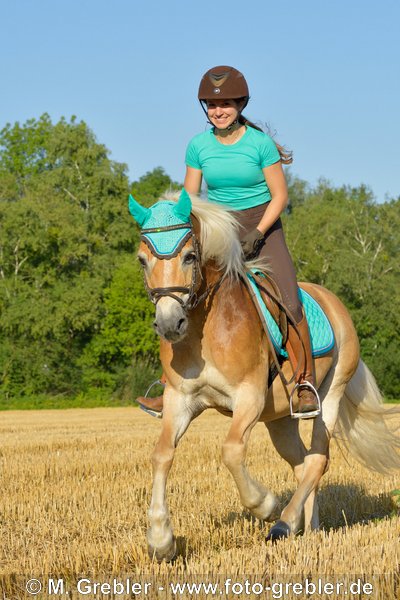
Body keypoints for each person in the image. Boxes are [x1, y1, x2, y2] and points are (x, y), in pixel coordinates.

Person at [137, 65, 320, 419]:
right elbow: (189, 198)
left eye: (227, 105)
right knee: (179, 293)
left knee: (288, 297)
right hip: (217, 227)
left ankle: (304, 382)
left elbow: (280, 196)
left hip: (262, 226)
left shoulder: (260, 144)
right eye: (211, 105)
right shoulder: (198, 145)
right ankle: (167, 384)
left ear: (240, 105)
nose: (218, 111)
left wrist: (258, 232)